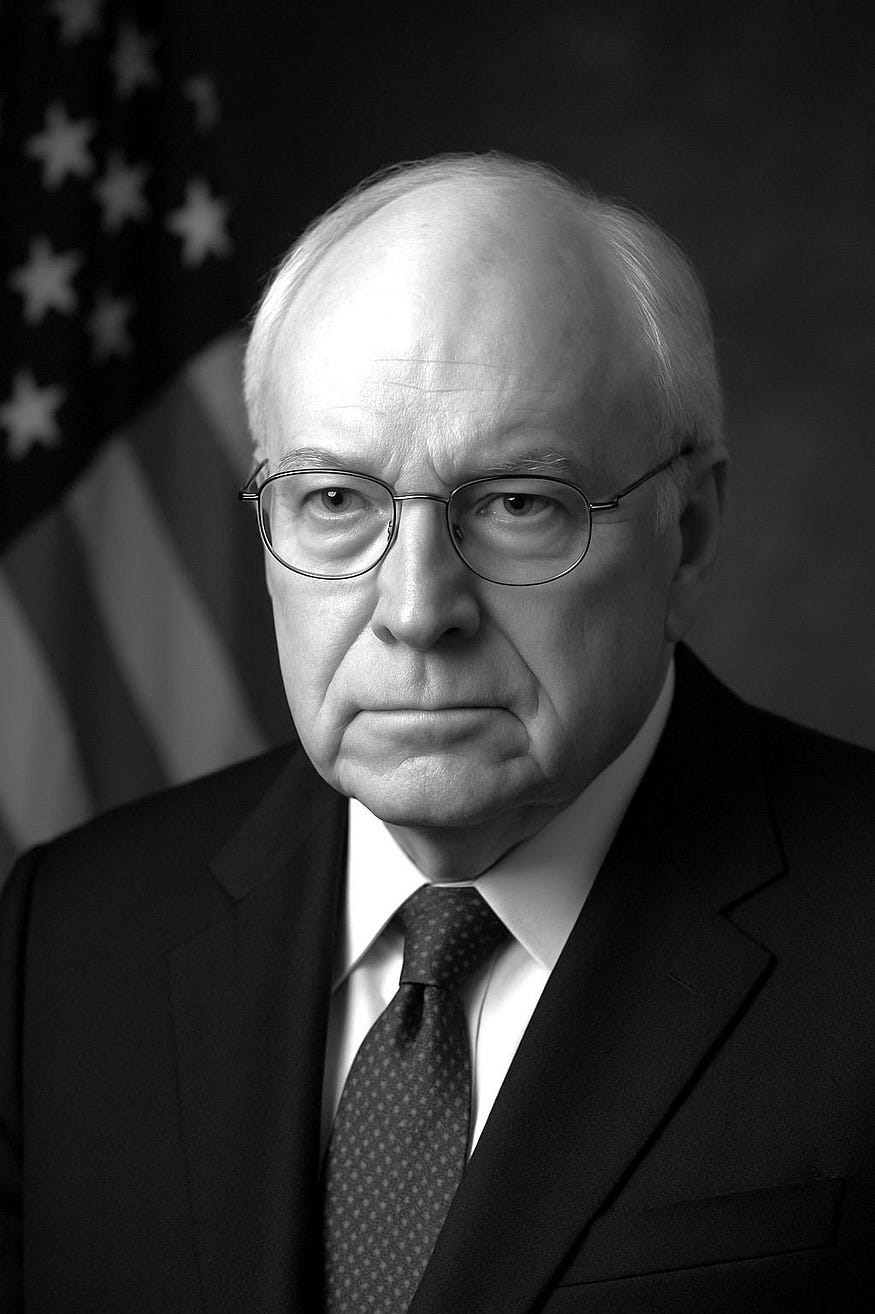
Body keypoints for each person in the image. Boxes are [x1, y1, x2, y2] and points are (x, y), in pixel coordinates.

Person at [1, 153, 873, 1314]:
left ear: (690, 533)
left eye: (518, 503)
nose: (416, 611)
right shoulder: (67, 942)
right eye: (333, 500)